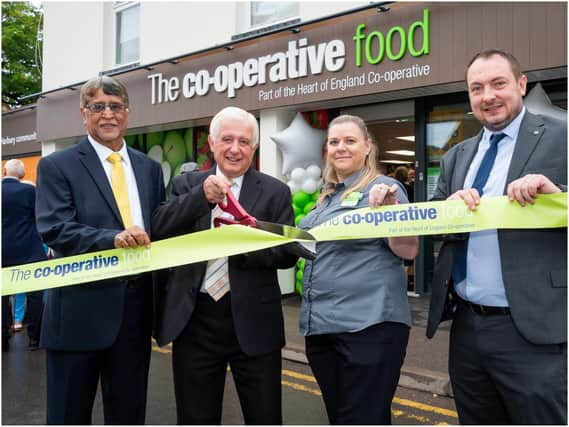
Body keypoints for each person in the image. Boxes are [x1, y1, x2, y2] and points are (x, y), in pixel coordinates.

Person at [426, 49, 567, 424]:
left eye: (498, 84)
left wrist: (556, 193)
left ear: (521, 85)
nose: (487, 96)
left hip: (534, 329)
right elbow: (436, 225)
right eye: (477, 88)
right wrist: (449, 210)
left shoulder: (562, 135)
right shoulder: (456, 156)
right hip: (467, 327)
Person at [152, 106, 302, 425]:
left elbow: (288, 253)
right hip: (195, 322)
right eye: (228, 140)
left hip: (255, 323)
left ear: (255, 148)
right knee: (196, 417)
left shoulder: (275, 192)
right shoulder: (186, 184)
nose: (235, 149)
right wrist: (199, 198)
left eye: (244, 142)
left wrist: (241, 243)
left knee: (265, 417)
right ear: (212, 142)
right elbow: (159, 229)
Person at [35, 76, 165, 424]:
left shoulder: (149, 169)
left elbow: (161, 226)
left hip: (135, 315)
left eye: (116, 106)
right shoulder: (57, 165)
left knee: (128, 414)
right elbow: (54, 228)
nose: (108, 114)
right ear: (84, 114)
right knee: (69, 415)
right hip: (78, 311)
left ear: (128, 112)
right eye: (98, 107)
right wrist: (111, 239)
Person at [298, 114, 419, 424]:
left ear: (368, 147)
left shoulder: (385, 189)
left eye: (350, 141)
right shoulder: (324, 200)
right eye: (334, 142)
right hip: (322, 329)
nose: (341, 147)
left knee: (363, 418)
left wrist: (392, 212)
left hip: (369, 328)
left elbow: (408, 250)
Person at [2, 159, 47, 351]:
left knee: (3, 295)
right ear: (21, 175)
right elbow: (41, 218)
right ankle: (35, 339)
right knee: (35, 295)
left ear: (5, 172)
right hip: (30, 250)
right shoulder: (29, 191)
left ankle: (3, 338)